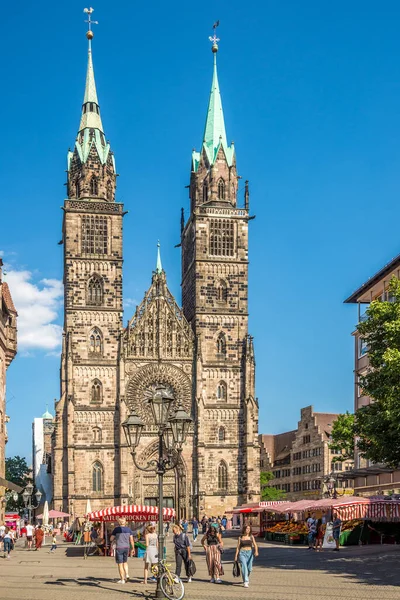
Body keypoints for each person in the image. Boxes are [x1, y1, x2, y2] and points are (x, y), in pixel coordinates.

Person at [110, 517, 135, 584]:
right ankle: (127, 574)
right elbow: (131, 540)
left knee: (120, 564)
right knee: (125, 562)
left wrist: (115, 538)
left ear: (119, 522)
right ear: (125, 522)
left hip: (119, 547)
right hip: (126, 547)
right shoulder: (129, 530)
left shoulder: (116, 529)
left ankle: (122, 579)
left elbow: (111, 539)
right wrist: (133, 548)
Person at [234, 524, 259, 588]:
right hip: (242, 553)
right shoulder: (240, 537)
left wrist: (256, 551)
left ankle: (245, 577)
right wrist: (236, 555)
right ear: (244, 529)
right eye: (247, 528)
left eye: (249, 529)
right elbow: (238, 547)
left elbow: (255, 544)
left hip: (250, 553)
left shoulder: (251, 536)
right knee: (244, 567)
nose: (248, 530)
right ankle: (246, 581)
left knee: (249, 569)